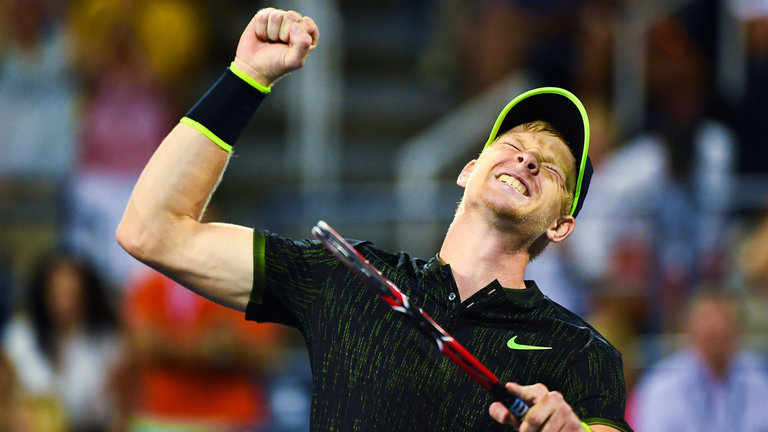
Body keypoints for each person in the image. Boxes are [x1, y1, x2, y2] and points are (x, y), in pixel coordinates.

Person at [116, 8, 631, 431]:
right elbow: (151, 230)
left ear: (560, 225)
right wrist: (246, 76)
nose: (527, 160)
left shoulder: (582, 352)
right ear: (468, 170)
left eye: (553, 168)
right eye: (514, 145)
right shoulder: (349, 278)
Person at [2, 252, 124, 432]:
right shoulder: (20, 336)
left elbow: (116, 410)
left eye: (72, 294)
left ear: (87, 296)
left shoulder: (105, 342)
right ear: (43, 294)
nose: (65, 304)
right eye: (57, 294)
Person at [629, 290, 768, 432]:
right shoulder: (660, 385)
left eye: (724, 324)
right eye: (709, 331)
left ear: (739, 332)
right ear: (689, 330)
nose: (716, 330)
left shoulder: (760, 379)